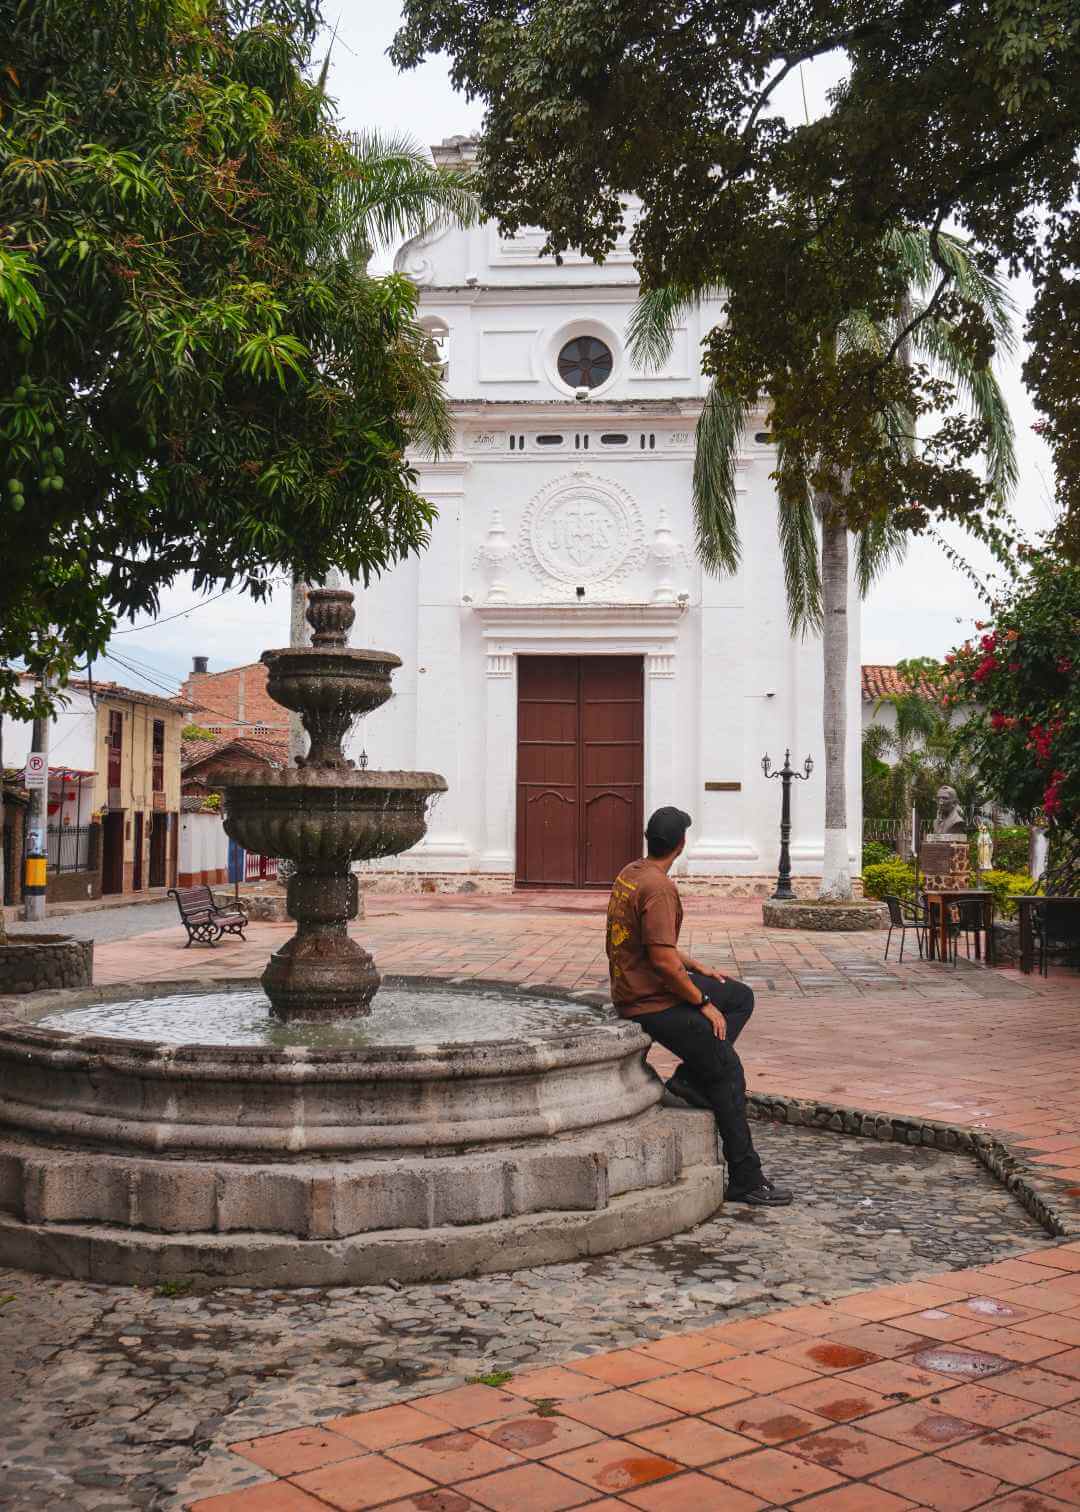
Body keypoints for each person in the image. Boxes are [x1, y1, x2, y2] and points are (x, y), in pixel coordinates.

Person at [606, 805, 792, 1206]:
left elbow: (661, 949)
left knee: (739, 996)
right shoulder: (659, 888)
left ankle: (690, 1078)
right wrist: (702, 1000)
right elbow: (660, 961)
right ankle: (746, 1176)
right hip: (649, 1002)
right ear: (681, 845)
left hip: (638, 988)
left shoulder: (632, 873)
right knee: (727, 1070)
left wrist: (695, 967)